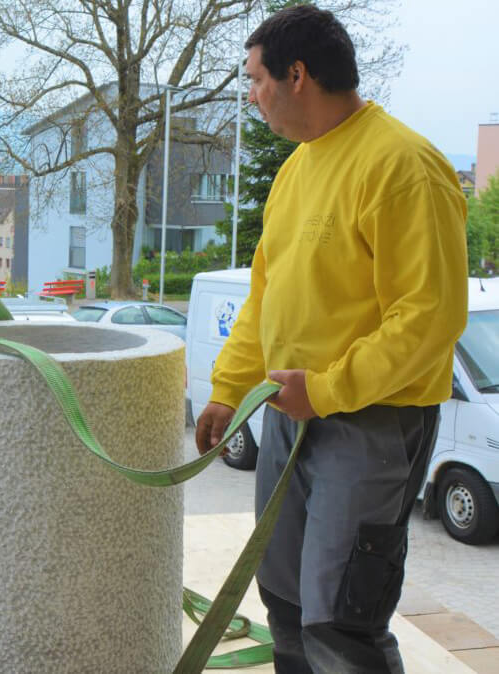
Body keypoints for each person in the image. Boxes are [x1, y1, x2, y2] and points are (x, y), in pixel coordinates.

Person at [195, 6, 467, 673]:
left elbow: (431, 315)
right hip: (291, 413)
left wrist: (327, 388)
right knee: (285, 601)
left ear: (297, 74)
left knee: (341, 619)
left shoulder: (403, 166)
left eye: (255, 79)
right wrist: (230, 391)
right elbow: (266, 297)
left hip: (371, 422)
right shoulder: (297, 171)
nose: (250, 96)